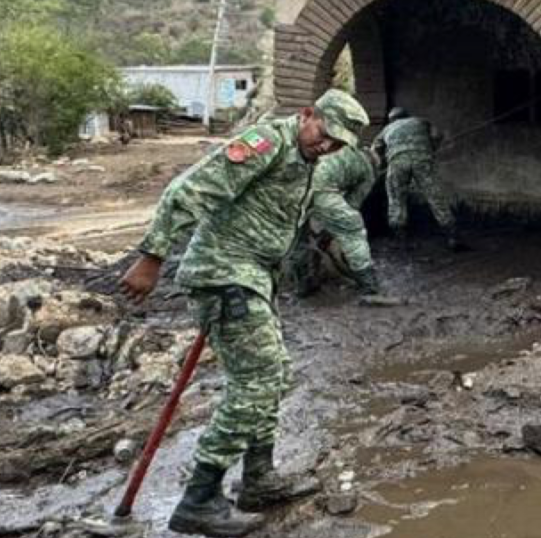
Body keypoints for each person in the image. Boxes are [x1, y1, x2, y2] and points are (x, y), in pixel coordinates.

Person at [120, 89, 368, 536]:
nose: (327, 146)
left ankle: (259, 477)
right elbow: (188, 190)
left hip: (255, 276)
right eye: (325, 135)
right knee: (258, 378)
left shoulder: (310, 161)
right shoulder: (267, 143)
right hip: (223, 273)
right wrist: (152, 256)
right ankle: (199, 498)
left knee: (274, 373)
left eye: (337, 144)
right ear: (308, 114)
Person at [286, 143, 379, 297]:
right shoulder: (369, 170)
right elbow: (353, 203)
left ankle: (303, 285)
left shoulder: (342, 149)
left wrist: (325, 231)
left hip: (295, 188)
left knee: (297, 239)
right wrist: (331, 231)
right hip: (321, 188)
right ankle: (369, 285)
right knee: (352, 229)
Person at [372, 107, 457, 248]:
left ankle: (400, 239)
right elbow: (437, 136)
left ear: (392, 120)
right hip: (422, 160)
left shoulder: (387, 129)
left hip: (397, 163)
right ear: (407, 115)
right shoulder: (421, 121)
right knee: (435, 196)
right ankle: (452, 236)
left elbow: (375, 149)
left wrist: (381, 164)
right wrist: (431, 149)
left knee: (396, 199)